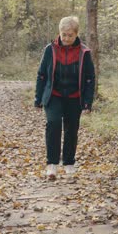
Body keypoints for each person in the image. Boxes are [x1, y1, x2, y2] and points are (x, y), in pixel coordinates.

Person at [34, 16, 95, 180]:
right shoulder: (50, 49)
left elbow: (90, 78)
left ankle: (69, 164)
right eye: (64, 34)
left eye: (70, 35)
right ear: (59, 33)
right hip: (54, 95)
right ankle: (51, 165)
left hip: (75, 97)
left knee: (71, 129)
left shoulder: (84, 52)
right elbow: (41, 75)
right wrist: (38, 98)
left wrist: (88, 102)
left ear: (76, 35)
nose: (66, 38)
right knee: (53, 124)